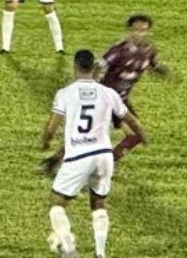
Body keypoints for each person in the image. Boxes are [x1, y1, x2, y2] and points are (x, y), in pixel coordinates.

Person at [41, 50, 147, 258]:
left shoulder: (66, 93)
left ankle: (68, 247)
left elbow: (52, 125)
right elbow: (131, 120)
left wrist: (45, 141)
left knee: (57, 203)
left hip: (79, 155)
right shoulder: (108, 93)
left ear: (75, 66)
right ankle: (100, 253)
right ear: (94, 68)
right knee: (99, 203)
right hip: (104, 156)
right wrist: (142, 135)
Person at [41, 14, 170, 175]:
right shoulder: (119, 51)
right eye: (135, 30)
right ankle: (78, 163)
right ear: (129, 31)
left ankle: (60, 160)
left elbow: (153, 64)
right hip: (106, 98)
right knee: (106, 134)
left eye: (143, 30)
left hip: (120, 100)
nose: (138, 34)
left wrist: (162, 71)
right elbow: (98, 67)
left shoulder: (149, 51)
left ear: (148, 32)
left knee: (121, 135)